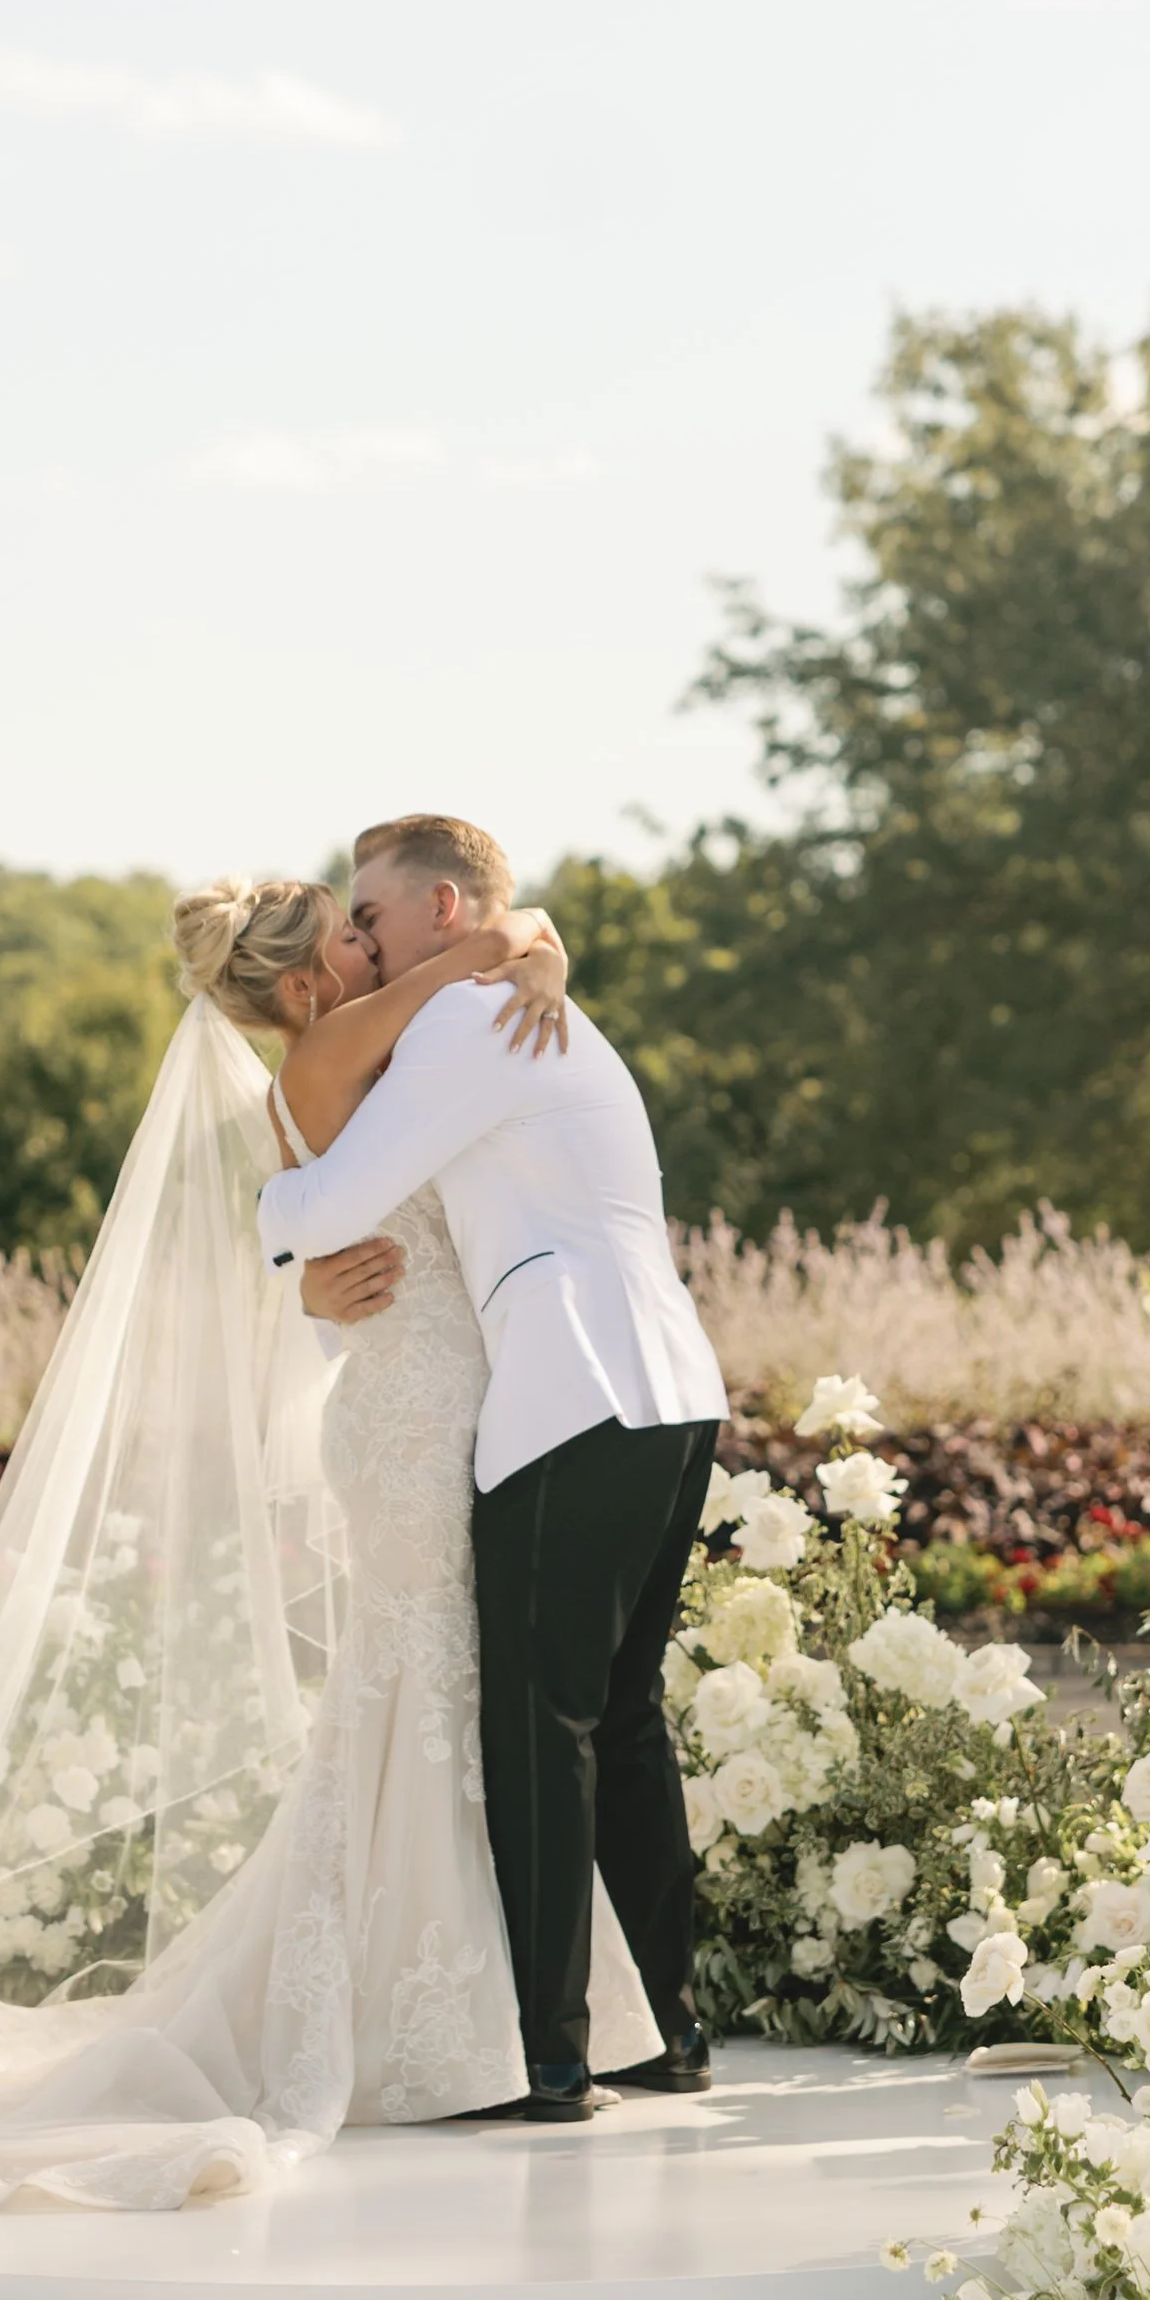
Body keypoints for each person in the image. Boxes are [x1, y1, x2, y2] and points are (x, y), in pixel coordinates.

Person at [0, 858, 688, 2214]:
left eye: (371, 917)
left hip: (437, 1397)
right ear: (302, 983)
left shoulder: (360, 1046)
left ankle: (487, 2015)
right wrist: (506, 948)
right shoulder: (342, 1042)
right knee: (445, 1695)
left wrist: (520, 949)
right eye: (352, 932)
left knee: (441, 1702)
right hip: (418, 1422)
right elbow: (432, 1027)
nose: (370, 945)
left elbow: (360, 1247)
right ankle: (483, 2028)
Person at [257, 814, 730, 2122]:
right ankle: (672, 2033)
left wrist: (264, 1225)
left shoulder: (468, 1025)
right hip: (677, 1388)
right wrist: (532, 942)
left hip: (567, 1392)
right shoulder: (542, 1010)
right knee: (623, 1721)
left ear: (445, 906)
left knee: (542, 1729)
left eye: (377, 913)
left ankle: (555, 2054)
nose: (365, 937)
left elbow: (338, 1199)